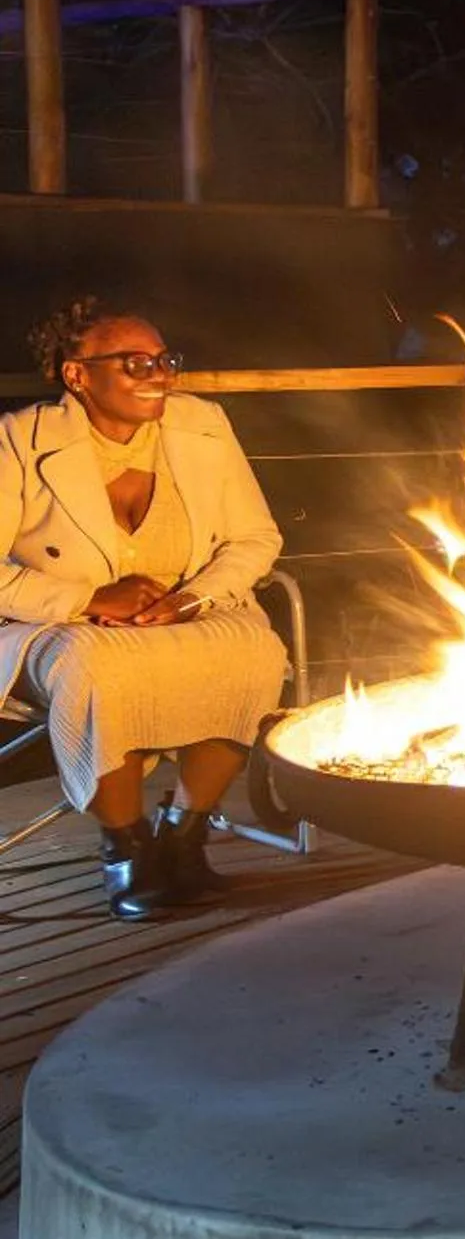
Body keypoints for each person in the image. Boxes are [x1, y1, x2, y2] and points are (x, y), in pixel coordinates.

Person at [0, 300, 288, 920]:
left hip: (185, 611)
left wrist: (194, 597)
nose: (159, 374)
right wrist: (86, 600)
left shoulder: (202, 426)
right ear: (78, 375)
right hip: (60, 623)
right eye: (135, 363)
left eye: (164, 360)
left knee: (253, 651)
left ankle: (184, 835)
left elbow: (255, 538)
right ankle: (125, 850)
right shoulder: (20, 440)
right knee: (97, 669)